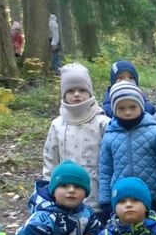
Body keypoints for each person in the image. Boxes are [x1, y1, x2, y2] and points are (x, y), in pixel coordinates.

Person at [99, 80, 156, 225]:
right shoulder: (109, 136)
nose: (127, 112)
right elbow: (105, 171)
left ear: (141, 106)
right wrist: (105, 200)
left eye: (133, 107)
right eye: (121, 108)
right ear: (114, 109)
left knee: (155, 234)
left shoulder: (155, 132)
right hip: (122, 200)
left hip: (154, 199)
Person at [42, 63, 109, 205]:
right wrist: (49, 190)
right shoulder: (57, 125)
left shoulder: (103, 123)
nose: (76, 94)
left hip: (97, 196)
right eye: (71, 91)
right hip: (65, 197)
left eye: (82, 90)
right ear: (64, 94)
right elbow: (50, 160)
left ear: (89, 92)